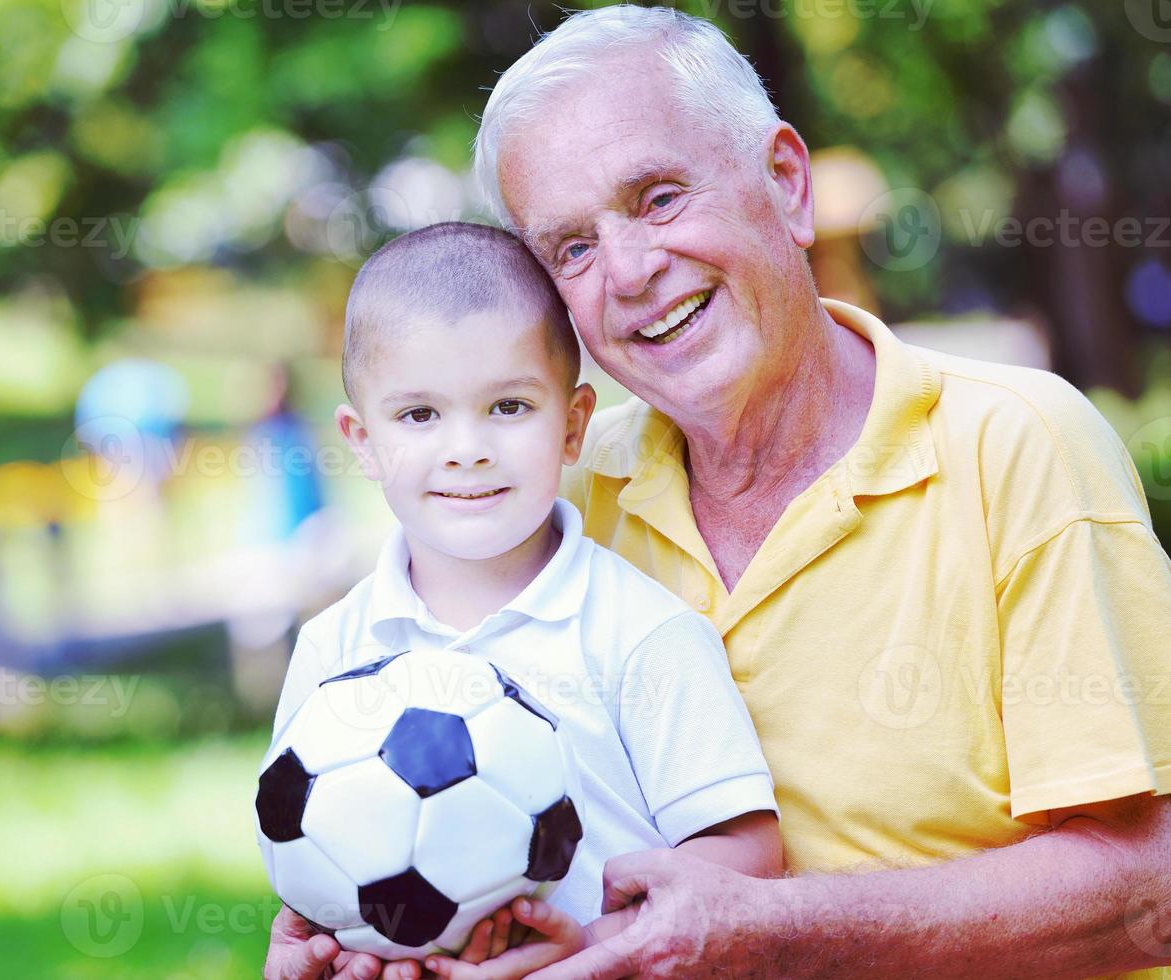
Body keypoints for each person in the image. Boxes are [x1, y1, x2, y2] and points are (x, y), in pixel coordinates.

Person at [454, 5, 1170, 978]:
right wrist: (362, 910)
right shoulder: (558, 499)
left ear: (784, 185)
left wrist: (771, 927)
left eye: (658, 197)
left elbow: (1148, 889)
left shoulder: (1015, 445)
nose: (626, 270)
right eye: (570, 248)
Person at [263, 221, 782, 980]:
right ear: (361, 439)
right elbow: (308, 864)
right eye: (418, 415)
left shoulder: (642, 633)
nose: (465, 447)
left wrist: (595, 950)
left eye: (507, 407)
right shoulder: (333, 651)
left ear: (572, 425)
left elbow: (747, 852)